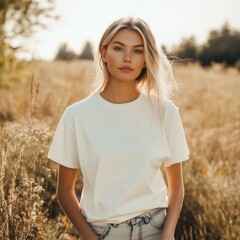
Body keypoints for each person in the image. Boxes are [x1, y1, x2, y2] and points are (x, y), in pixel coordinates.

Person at [48, 16, 190, 240]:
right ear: (103, 53)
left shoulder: (165, 112)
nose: (127, 58)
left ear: (146, 58)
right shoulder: (76, 116)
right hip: (103, 233)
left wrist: (168, 234)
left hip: (155, 229)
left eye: (137, 51)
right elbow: (64, 190)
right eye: (118, 48)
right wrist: (90, 237)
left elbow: (177, 186)